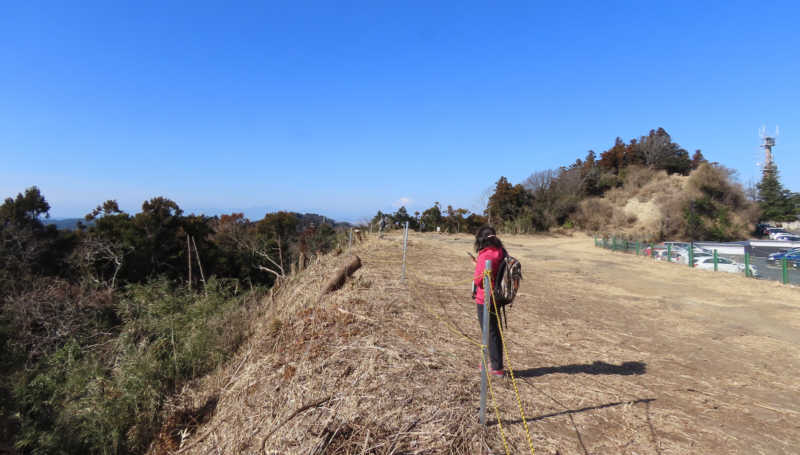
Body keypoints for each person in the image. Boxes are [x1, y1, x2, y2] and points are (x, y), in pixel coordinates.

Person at [472, 225, 506, 376]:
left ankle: (496, 366)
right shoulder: (500, 251)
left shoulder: (486, 255)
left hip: (486, 297)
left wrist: (476, 266)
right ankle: (491, 361)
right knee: (492, 330)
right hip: (496, 296)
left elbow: (479, 281)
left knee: (490, 331)